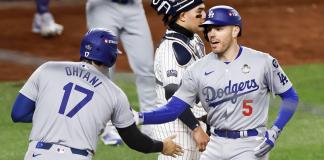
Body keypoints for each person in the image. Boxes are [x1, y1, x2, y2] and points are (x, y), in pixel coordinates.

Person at [138, 5, 299, 160]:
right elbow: (173, 108)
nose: (211, 34)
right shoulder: (198, 69)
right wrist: (140, 117)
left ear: (235, 30)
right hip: (214, 144)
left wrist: (275, 130)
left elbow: (291, 97)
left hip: (250, 145)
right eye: (209, 29)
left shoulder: (263, 62)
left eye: (219, 29)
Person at [11, 28, 183, 160]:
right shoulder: (114, 93)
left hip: (37, 155)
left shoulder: (47, 69)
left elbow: (18, 113)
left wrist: (51, 116)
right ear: (112, 57)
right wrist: (162, 146)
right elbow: (135, 140)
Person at [85, 0, 158, 143]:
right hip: (103, 8)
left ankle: (150, 125)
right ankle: (106, 125)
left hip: (134, 8)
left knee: (146, 67)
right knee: (103, 67)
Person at [152, 0, 210, 159]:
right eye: (199, 11)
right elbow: (172, 92)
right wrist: (196, 129)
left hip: (191, 123)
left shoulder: (194, 40)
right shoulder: (171, 49)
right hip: (176, 130)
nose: (204, 16)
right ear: (183, 16)